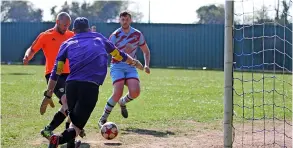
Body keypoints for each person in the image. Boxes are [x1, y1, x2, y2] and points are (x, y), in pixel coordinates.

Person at [45, 17, 143, 148]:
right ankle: (57, 140)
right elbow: (119, 55)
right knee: (77, 127)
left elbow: (56, 71)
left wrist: (49, 93)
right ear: (88, 28)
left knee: (73, 116)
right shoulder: (99, 39)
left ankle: (71, 144)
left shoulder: (66, 43)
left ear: (74, 31)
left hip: (71, 85)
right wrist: (134, 62)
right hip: (90, 86)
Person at [23, 12, 84, 147]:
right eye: (64, 25)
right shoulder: (46, 36)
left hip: (71, 74)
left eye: (68, 26)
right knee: (67, 102)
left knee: (70, 105)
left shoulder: (70, 35)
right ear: (57, 22)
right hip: (54, 75)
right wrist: (27, 56)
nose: (66, 28)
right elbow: (32, 49)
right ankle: (71, 133)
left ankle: (57, 134)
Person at [98, 11, 151, 127]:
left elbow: (146, 51)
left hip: (131, 67)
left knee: (135, 92)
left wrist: (146, 65)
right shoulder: (115, 35)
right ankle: (103, 119)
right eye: (122, 19)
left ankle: (122, 102)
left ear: (130, 20)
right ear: (119, 20)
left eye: (127, 19)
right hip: (117, 66)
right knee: (118, 91)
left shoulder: (137, 34)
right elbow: (108, 51)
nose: (125, 21)